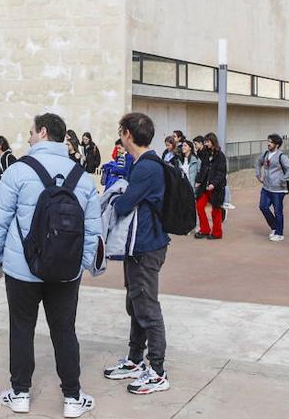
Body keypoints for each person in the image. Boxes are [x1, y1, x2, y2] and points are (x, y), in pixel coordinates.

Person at [0, 112, 101, 417]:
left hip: (22, 268)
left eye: (31, 132)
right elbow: (93, 227)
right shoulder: (81, 176)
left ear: (43, 132)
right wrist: (85, 263)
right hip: (66, 269)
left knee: (21, 328)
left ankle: (20, 393)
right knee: (64, 330)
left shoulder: (18, 171)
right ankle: (73, 398)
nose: (28, 137)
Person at [103, 111, 171, 395]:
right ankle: (134, 360)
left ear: (128, 134)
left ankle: (157, 370)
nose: (120, 137)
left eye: (121, 131)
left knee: (147, 307)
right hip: (139, 246)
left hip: (146, 246)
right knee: (135, 304)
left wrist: (116, 196)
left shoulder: (146, 167)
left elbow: (123, 205)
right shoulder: (142, 163)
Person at [255, 134, 289, 242]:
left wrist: (282, 179)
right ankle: (275, 227)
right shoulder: (266, 154)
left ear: (277, 145)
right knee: (263, 206)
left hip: (278, 189)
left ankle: (279, 233)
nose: (268, 144)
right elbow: (258, 162)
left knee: (278, 211)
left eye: (271, 142)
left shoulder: (282, 156)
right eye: (268, 141)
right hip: (266, 187)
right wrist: (258, 175)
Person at [193, 134, 225, 240]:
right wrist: (198, 181)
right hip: (204, 187)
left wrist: (213, 184)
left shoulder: (220, 155)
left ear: (212, 142)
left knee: (216, 210)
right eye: (205, 142)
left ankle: (217, 233)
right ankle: (205, 230)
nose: (205, 143)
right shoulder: (205, 154)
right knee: (199, 206)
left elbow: (221, 173)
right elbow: (203, 168)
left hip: (216, 188)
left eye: (207, 142)